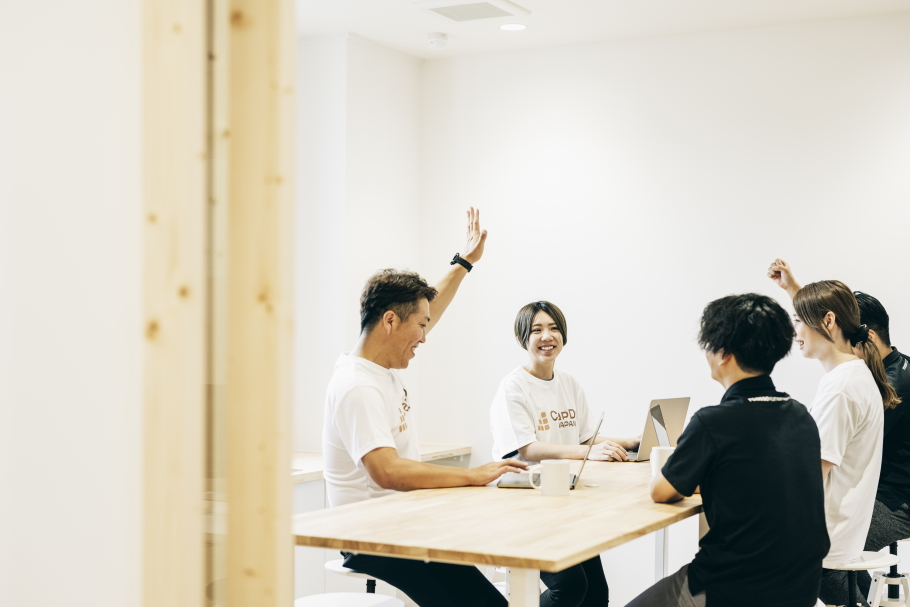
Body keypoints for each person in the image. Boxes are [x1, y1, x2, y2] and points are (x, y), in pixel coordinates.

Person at [322, 208, 527, 607]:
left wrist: (464, 262)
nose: (425, 336)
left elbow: (430, 307)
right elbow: (387, 471)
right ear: (390, 322)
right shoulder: (357, 385)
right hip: (370, 538)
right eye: (420, 327)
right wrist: (473, 476)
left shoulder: (379, 364)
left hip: (403, 525)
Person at [626, 293, 829, 607]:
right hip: (800, 585)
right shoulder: (800, 415)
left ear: (723, 354)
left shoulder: (713, 422)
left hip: (737, 585)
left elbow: (661, 491)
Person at [490, 301, 640, 607]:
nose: (547, 336)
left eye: (554, 328)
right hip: (527, 504)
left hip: (567, 501)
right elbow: (527, 448)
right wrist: (588, 452)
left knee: (596, 594)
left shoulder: (568, 382)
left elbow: (585, 437)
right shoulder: (513, 387)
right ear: (522, 337)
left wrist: (630, 442)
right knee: (570, 588)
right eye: (537, 330)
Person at [769, 260, 900, 605]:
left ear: (828, 321)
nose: (794, 333)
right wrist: (793, 290)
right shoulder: (855, 373)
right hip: (836, 536)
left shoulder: (842, 388)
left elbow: (810, 474)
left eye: (798, 321)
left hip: (824, 543)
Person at [844, 292, 910, 596]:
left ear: (868, 336)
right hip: (883, 493)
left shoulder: (894, 385)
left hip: (896, 504)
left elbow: (851, 447)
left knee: (818, 552)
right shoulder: (895, 367)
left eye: (845, 340)